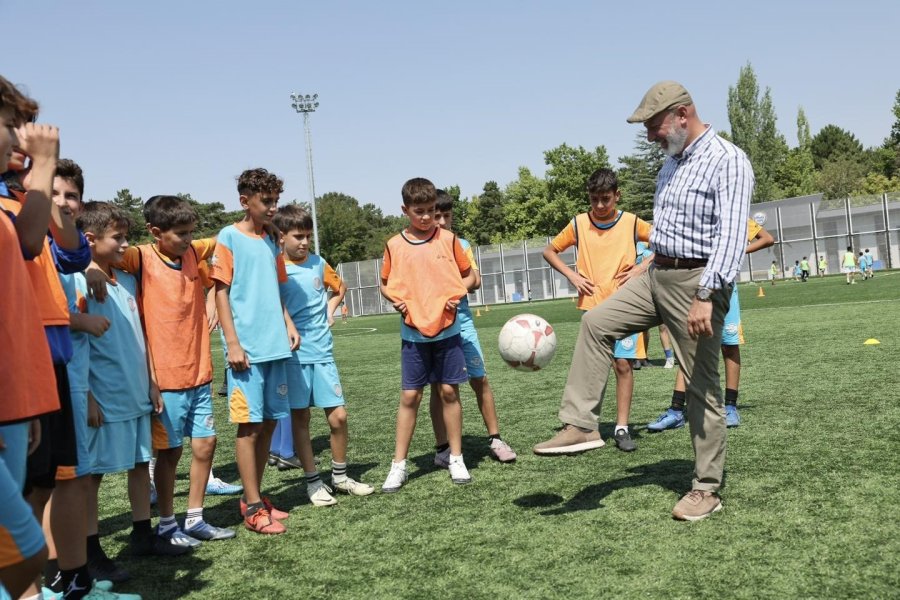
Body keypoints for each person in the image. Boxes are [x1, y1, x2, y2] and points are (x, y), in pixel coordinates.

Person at [533, 81, 753, 521]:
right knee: (596, 323)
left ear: (683, 114)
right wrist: (647, 265)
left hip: (697, 282)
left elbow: (730, 237)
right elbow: (669, 228)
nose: (650, 135)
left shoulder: (727, 161)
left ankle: (706, 488)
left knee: (701, 386)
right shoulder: (671, 162)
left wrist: (706, 296)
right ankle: (581, 424)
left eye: (654, 126)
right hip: (656, 274)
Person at [104, 195, 236, 546]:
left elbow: (225, 239)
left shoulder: (195, 250)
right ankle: (166, 523)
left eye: (192, 232)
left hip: (200, 373)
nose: (189, 240)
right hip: (165, 379)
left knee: (206, 444)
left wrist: (210, 298)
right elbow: (102, 254)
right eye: (181, 234)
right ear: (155, 232)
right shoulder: (140, 256)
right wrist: (88, 269)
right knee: (170, 453)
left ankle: (194, 518)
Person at [75, 202, 192, 570]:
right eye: (118, 238)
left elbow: (139, 339)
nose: (126, 244)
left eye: (126, 236)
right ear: (89, 240)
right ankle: (90, 550)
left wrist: (152, 384)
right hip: (102, 400)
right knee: (92, 476)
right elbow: (76, 347)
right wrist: (88, 396)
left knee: (141, 464)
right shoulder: (77, 280)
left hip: (136, 393)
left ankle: (143, 535)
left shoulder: (126, 281)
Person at [536, 168, 652, 453]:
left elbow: (666, 242)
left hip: (627, 304)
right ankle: (585, 426)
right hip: (594, 306)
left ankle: (622, 427)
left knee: (622, 365)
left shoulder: (631, 222)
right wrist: (572, 276)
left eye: (606, 199)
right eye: (594, 199)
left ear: (617, 196)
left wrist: (640, 268)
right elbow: (549, 251)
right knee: (594, 366)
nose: (600, 206)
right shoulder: (578, 224)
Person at [209, 168, 300, 535]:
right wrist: (232, 343)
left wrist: (288, 322)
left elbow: (276, 290)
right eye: (267, 201)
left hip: (275, 347)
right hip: (246, 351)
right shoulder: (228, 237)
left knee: (269, 423)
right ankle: (252, 508)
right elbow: (220, 292)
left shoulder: (271, 240)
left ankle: (254, 497)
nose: (273, 208)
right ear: (245, 201)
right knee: (248, 427)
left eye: (276, 200)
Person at [0, 75, 58, 600]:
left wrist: (26, 405)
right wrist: (42, 162)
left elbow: (29, 240)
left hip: (13, 407)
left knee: (20, 566)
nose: (20, 136)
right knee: (23, 549)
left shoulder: (3, 204)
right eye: (9, 124)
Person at [379, 177, 476, 493]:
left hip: (448, 330)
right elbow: (385, 283)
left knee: (449, 392)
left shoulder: (448, 240)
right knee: (410, 396)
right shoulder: (394, 245)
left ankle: (456, 458)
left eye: (432, 211)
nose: (426, 217)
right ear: (405, 210)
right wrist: (395, 300)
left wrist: (456, 292)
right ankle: (399, 466)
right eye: (419, 211)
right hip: (414, 333)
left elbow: (471, 276)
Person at [274, 204, 374, 504]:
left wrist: (330, 308)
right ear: (281, 237)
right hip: (294, 355)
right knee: (301, 419)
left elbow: (340, 287)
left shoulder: (318, 263)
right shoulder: (276, 268)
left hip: (323, 351)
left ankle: (340, 477)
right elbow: (273, 306)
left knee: (339, 417)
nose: (304, 242)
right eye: (297, 236)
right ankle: (312, 481)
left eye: (308, 236)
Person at [648, 219, 774, 431]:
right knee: (689, 346)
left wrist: (737, 251)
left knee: (729, 345)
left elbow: (767, 239)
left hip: (725, 288)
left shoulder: (737, 216)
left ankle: (730, 407)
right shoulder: (698, 215)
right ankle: (676, 410)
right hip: (694, 288)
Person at [428, 189, 517, 466]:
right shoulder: (421, 246)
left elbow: (475, 280)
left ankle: (496, 438)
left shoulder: (460, 243)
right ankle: (443, 448)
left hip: (462, 323)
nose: (441, 221)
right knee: (438, 389)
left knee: (480, 379)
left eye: (446, 216)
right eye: (436, 215)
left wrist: (451, 291)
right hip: (432, 327)